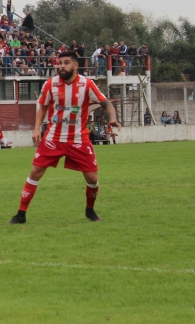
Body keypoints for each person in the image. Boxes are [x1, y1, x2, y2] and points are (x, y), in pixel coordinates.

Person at [9, 50, 120, 225]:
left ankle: (89, 210)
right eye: (60, 63)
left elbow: (105, 103)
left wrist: (112, 118)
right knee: (35, 172)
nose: (62, 66)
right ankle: (20, 214)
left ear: (76, 65)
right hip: (53, 138)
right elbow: (43, 107)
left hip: (79, 138)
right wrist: (37, 129)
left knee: (92, 178)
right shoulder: (50, 84)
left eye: (66, 62)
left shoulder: (87, 84)